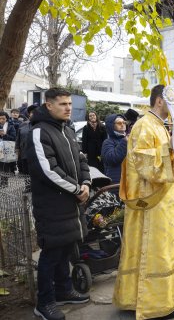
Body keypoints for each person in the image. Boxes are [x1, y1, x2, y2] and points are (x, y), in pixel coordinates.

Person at [113, 84, 174, 320]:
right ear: (159, 101)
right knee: (155, 250)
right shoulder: (146, 124)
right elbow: (144, 163)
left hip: (165, 202)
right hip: (152, 202)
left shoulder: (159, 125)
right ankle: (153, 303)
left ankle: (166, 296)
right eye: (171, 103)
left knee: (166, 248)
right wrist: (171, 151)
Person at [26, 88, 91, 320]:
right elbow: (48, 171)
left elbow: (82, 159)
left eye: (70, 104)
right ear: (49, 105)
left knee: (65, 249)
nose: (68, 108)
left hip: (71, 205)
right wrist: (77, 190)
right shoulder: (38, 131)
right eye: (63, 104)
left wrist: (86, 182)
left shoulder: (67, 130)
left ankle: (64, 290)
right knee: (51, 254)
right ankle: (44, 303)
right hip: (52, 207)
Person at [101, 114, 128, 185]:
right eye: (119, 123)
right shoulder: (108, 142)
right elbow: (111, 159)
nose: (122, 125)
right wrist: (124, 142)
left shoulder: (128, 139)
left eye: (124, 122)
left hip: (129, 180)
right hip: (116, 182)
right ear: (111, 125)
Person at [15, 104, 39, 176]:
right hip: (24, 155)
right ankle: (27, 187)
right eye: (32, 112)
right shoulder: (23, 125)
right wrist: (17, 152)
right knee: (26, 176)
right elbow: (18, 139)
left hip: (38, 157)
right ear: (29, 114)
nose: (34, 114)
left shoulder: (44, 125)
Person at [0, 111, 17, 187]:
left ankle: (4, 182)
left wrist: (5, 135)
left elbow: (13, 138)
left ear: (6, 118)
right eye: (0, 119)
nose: (1, 120)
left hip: (7, 148)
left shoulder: (11, 126)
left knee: (5, 165)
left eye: (3, 118)